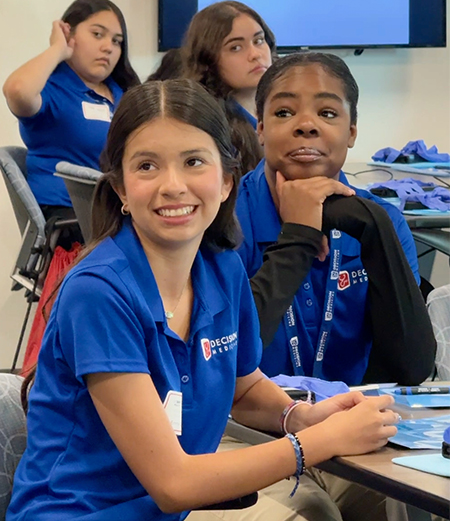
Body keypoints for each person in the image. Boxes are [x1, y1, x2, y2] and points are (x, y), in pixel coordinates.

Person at [7, 80, 399, 521]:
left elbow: (243, 387)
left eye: (194, 162)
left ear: (227, 180)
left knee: (339, 505)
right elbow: (175, 484)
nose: (173, 186)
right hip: (84, 514)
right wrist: (319, 442)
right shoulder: (98, 292)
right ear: (120, 189)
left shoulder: (221, 268)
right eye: (147, 166)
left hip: (170, 511)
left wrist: (298, 417)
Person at [236, 52, 435, 385]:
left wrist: (373, 228)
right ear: (260, 129)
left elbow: (412, 367)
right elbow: (228, 357)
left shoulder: (380, 218)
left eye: (327, 113)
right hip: (247, 427)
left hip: (350, 420)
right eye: (283, 112)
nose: (306, 125)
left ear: (352, 132)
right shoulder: (223, 220)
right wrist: (298, 238)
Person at [3, 0, 140, 223]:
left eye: (117, 41)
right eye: (97, 34)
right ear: (70, 35)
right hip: (71, 219)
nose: (108, 47)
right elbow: (16, 90)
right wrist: (58, 49)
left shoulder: (123, 94)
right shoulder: (52, 91)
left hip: (120, 210)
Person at [183, 0, 275, 174]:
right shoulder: (211, 128)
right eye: (236, 47)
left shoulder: (286, 107)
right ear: (209, 61)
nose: (255, 54)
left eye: (259, 40)